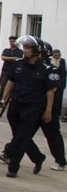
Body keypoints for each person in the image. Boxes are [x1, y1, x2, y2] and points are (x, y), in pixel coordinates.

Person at [0, 35, 56, 178]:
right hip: (15, 105)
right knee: (19, 136)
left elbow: (50, 91)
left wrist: (48, 110)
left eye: (28, 48)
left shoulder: (46, 69)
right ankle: (38, 157)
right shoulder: (18, 64)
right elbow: (11, 82)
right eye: (24, 47)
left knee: (21, 137)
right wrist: (4, 99)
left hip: (32, 108)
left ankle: (13, 168)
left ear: (36, 51)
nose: (24, 50)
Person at [37, 41, 67, 171]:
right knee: (23, 133)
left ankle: (60, 161)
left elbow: (53, 89)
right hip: (35, 106)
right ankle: (10, 153)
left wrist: (49, 109)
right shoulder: (33, 66)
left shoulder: (50, 69)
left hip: (49, 107)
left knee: (52, 134)